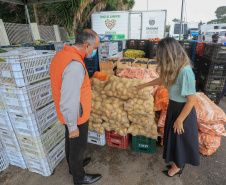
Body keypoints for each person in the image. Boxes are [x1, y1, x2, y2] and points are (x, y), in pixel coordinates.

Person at [136, 37, 200, 177]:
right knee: (175, 138)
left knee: (180, 140)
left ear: (168, 54)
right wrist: (144, 85)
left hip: (183, 111)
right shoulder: (174, 67)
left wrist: (180, 120)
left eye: (160, 54)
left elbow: (191, 100)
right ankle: (178, 163)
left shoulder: (185, 71)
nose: (158, 57)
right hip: (174, 107)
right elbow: (163, 79)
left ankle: (177, 167)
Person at [50, 29, 101, 184]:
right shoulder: (75, 65)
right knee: (78, 147)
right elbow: (69, 99)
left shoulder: (62, 55)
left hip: (68, 114)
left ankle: (73, 167)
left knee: (70, 143)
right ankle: (79, 178)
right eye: (95, 47)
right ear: (87, 45)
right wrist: (73, 126)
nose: (95, 51)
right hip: (75, 116)